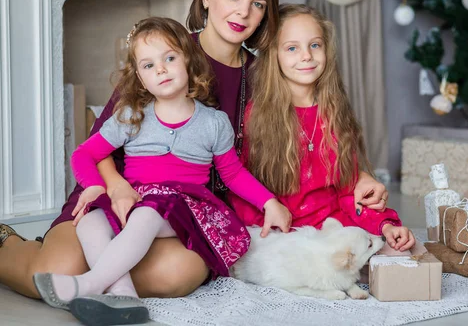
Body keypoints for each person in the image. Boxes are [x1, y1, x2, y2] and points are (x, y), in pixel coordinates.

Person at [0, 0, 388, 302]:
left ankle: (97, 285)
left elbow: (317, 126)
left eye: (257, 4)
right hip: (118, 191)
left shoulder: (265, 74)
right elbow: (100, 146)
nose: (242, 13)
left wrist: (362, 175)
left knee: (181, 274)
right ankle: (10, 244)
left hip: (188, 211)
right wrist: (116, 188)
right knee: (56, 268)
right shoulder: (165, 54)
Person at [33, 17, 291, 325]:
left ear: (189, 62)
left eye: (169, 58)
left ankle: (88, 284)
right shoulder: (131, 116)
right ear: (141, 79)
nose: (161, 69)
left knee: (148, 213)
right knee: (90, 222)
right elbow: (85, 153)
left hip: (185, 207)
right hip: (138, 198)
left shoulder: (213, 122)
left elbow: (232, 174)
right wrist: (93, 185)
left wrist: (268, 202)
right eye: (148, 65)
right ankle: (124, 297)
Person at [230, 4, 415, 251]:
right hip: (277, 235)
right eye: (292, 48)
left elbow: (350, 192)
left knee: (386, 252)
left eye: (315, 45)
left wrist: (385, 226)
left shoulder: (335, 111)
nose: (306, 55)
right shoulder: (258, 115)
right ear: (274, 55)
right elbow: (242, 189)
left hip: (332, 230)